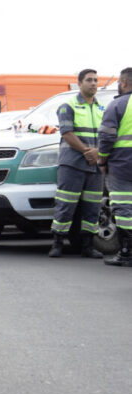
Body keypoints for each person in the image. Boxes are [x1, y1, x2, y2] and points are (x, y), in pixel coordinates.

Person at [48, 69, 104, 258]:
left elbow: (105, 135)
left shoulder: (101, 108)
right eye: (89, 80)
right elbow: (67, 133)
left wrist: (98, 153)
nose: (94, 83)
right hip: (72, 164)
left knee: (92, 207)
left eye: (96, 80)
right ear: (79, 83)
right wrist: (87, 152)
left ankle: (88, 246)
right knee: (65, 205)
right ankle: (57, 244)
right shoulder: (68, 106)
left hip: (95, 166)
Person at [98, 67, 132, 267]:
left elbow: (107, 136)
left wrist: (102, 160)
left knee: (124, 209)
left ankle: (127, 252)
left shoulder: (118, 104)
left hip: (123, 164)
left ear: (124, 83)